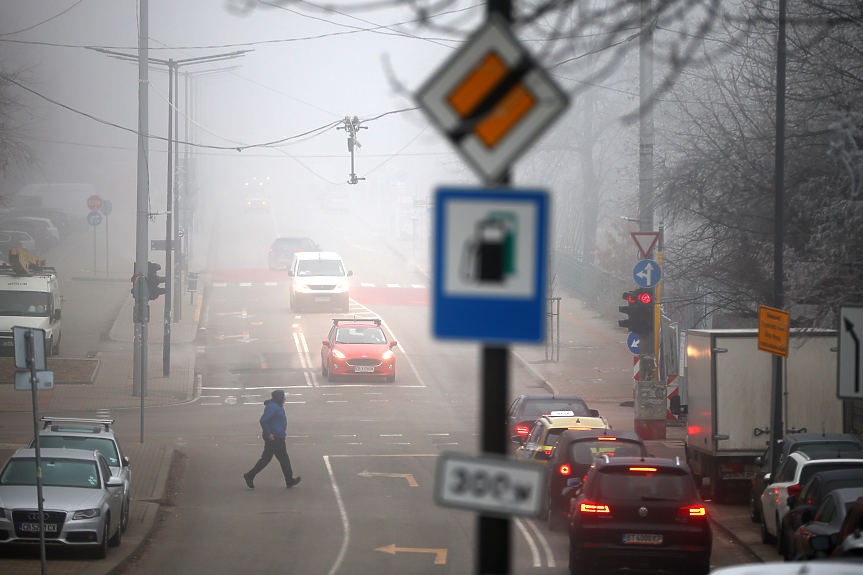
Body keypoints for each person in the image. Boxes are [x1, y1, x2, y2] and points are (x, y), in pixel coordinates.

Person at [243, 389, 301, 489]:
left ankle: (250, 475)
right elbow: (263, 420)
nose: (285, 399)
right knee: (284, 459)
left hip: (276, 436)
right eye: (283, 397)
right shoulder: (273, 407)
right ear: (279, 398)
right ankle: (289, 480)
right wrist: (269, 434)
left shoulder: (275, 406)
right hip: (275, 438)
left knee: (267, 458)